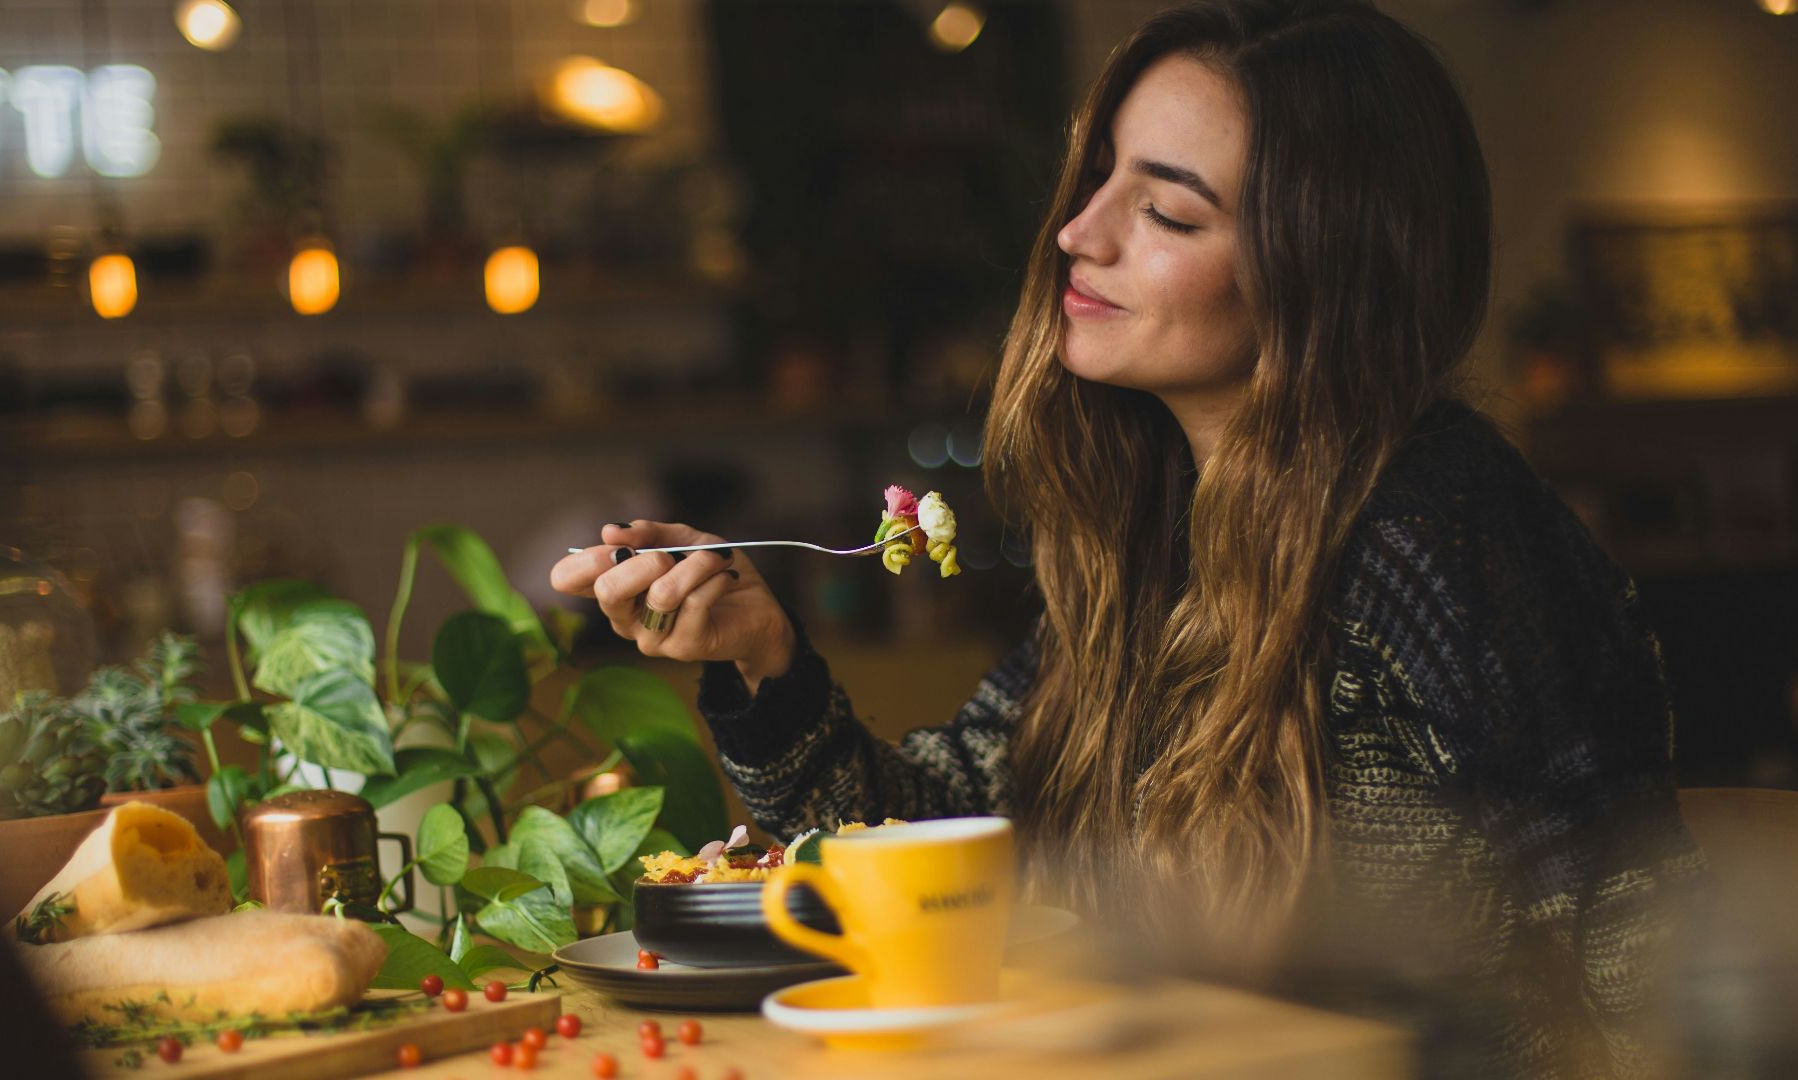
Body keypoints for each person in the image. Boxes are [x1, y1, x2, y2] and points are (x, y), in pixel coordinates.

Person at [551, 2, 1701, 1075]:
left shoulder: (1436, 534)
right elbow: (932, 852)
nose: (1074, 231)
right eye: (1098, 176)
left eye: (1166, 210)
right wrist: (763, 658)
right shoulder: (1156, 539)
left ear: (1322, 273)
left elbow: (1630, 962)